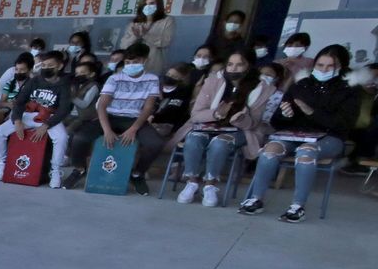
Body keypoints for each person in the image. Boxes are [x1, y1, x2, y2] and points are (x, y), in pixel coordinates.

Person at [238, 45, 358, 222]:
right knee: (270, 150)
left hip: (329, 138)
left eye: (329, 66)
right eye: (320, 65)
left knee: (305, 153)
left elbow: (343, 124)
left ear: (340, 67)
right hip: (293, 135)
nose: (323, 69)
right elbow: (276, 122)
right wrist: (286, 114)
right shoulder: (301, 85)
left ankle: (297, 206)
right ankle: (256, 199)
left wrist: (311, 112)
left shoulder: (348, 90)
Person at [64, 41, 164, 194]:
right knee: (79, 138)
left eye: (135, 62)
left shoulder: (152, 79)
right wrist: (107, 130)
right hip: (110, 116)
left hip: (134, 119)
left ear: (144, 61)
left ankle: (137, 174)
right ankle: (79, 169)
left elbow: (148, 107)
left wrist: (133, 129)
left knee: (155, 143)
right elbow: (102, 106)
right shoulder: (114, 78)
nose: (130, 65)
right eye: (128, 62)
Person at [172, 51, 270, 208]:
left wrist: (240, 119)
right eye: (230, 64)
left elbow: (254, 123)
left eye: (239, 64)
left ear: (249, 66)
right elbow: (196, 114)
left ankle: (210, 184)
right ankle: (192, 182)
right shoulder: (213, 81)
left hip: (241, 131)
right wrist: (216, 113)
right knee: (194, 138)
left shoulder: (261, 88)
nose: (233, 69)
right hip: (208, 126)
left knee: (220, 142)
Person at [0, 50, 74, 187]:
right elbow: (19, 101)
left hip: (50, 117)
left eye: (50, 65)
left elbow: (64, 109)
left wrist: (47, 125)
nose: (46, 68)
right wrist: (17, 120)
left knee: (62, 137)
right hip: (28, 114)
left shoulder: (64, 83)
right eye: (44, 65)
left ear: (59, 66)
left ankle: (55, 170)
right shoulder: (35, 80)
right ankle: (3, 163)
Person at [0, 52, 34, 159]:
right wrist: (9, 104)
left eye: (22, 70)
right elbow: (1, 102)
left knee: (3, 129)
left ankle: (1, 157)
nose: (19, 72)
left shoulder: (33, 84)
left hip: (24, 113)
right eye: (17, 69)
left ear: (29, 70)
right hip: (7, 110)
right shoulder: (10, 82)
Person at [119, 0, 175, 73]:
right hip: (132, 65)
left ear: (159, 4)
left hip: (154, 64)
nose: (148, 6)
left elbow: (165, 42)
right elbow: (123, 46)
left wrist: (146, 34)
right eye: (145, 4)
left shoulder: (167, 20)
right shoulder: (135, 22)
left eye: (151, 3)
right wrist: (135, 37)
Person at [65, 58, 103, 136]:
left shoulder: (93, 86)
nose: (78, 75)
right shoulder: (76, 84)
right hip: (71, 115)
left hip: (84, 118)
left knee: (67, 131)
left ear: (92, 74)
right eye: (77, 73)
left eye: (82, 72)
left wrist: (71, 96)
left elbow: (84, 104)